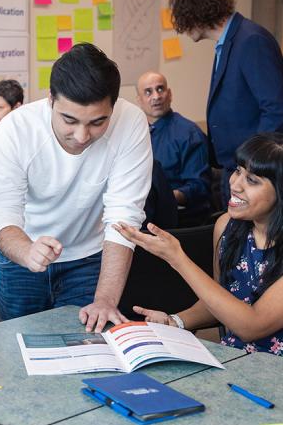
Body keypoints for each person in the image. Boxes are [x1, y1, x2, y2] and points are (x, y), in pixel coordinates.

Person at [0, 43, 152, 331]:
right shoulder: (15, 129)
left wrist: (106, 299)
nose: (82, 135)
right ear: (51, 99)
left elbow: (124, 216)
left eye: (98, 122)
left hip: (88, 260)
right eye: (69, 120)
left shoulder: (131, 121)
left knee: (85, 347)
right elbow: (2, 211)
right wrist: (26, 251)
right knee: (16, 350)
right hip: (21, 260)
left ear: (113, 106)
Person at [115, 132, 283, 356]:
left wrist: (177, 258)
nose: (235, 184)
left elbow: (250, 326)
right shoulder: (227, 227)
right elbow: (219, 301)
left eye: (252, 180)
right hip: (235, 362)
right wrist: (175, 322)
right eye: (237, 171)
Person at [170, 0, 283, 205]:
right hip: (235, 167)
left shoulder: (251, 40)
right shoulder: (229, 41)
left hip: (251, 172)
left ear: (194, 14)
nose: (182, 29)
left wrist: (252, 165)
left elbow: (276, 108)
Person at [136, 71, 211, 221]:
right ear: (139, 100)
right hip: (143, 213)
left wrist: (166, 198)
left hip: (181, 218)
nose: (156, 96)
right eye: (148, 92)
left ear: (169, 94)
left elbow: (200, 187)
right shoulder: (136, 134)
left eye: (160, 89)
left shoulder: (189, 133)